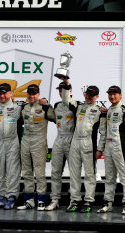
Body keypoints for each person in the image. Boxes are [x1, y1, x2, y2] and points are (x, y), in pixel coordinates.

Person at [62, 79, 107, 213]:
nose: (88, 97)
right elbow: (66, 99)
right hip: (75, 142)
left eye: (91, 96)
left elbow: (103, 132)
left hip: (89, 144)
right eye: (87, 94)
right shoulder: (79, 106)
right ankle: (75, 200)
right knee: (74, 174)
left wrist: (99, 149)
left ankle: (88, 200)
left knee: (89, 175)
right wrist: (67, 84)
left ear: (97, 97)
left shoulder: (100, 111)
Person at [97, 85, 125, 215]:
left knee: (124, 176)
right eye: (110, 94)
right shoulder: (108, 110)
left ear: (120, 95)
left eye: (115, 94)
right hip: (109, 147)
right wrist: (100, 148)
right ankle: (108, 203)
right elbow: (103, 131)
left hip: (120, 147)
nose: (112, 96)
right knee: (109, 177)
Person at [0, 83, 23, 210]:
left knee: (13, 171)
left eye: (4, 93)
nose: (2, 95)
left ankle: (12, 197)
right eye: (0, 93)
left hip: (13, 141)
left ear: (10, 93)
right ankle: (1, 197)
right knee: (0, 172)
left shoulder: (18, 108)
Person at [17, 84, 53, 211]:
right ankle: (29, 200)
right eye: (29, 94)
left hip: (39, 141)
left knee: (39, 172)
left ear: (38, 94)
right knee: (26, 171)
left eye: (34, 94)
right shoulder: (24, 107)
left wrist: (47, 104)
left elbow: (55, 118)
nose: (31, 96)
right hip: (26, 140)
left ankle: (42, 200)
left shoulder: (44, 106)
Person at [43, 82, 78, 211]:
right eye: (59, 90)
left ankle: (74, 200)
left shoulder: (75, 104)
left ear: (69, 91)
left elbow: (67, 99)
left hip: (71, 139)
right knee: (55, 172)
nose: (61, 92)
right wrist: (46, 105)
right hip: (59, 138)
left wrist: (67, 87)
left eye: (63, 90)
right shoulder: (57, 105)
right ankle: (55, 199)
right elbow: (52, 117)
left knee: (74, 173)